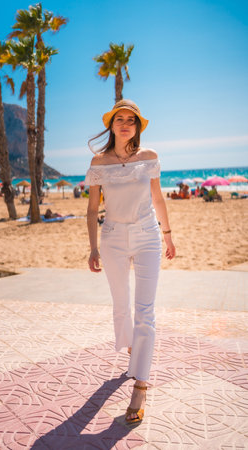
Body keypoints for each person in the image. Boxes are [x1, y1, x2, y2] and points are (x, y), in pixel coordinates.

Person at [85, 99, 176, 424]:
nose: (125, 124)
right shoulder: (99, 161)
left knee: (145, 311)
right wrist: (93, 247)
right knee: (121, 305)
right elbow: (93, 208)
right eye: (119, 119)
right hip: (111, 238)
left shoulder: (149, 157)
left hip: (148, 235)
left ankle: (140, 384)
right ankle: (131, 350)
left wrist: (167, 235)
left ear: (138, 125)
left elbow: (157, 197)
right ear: (111, 125)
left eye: (131, 120)